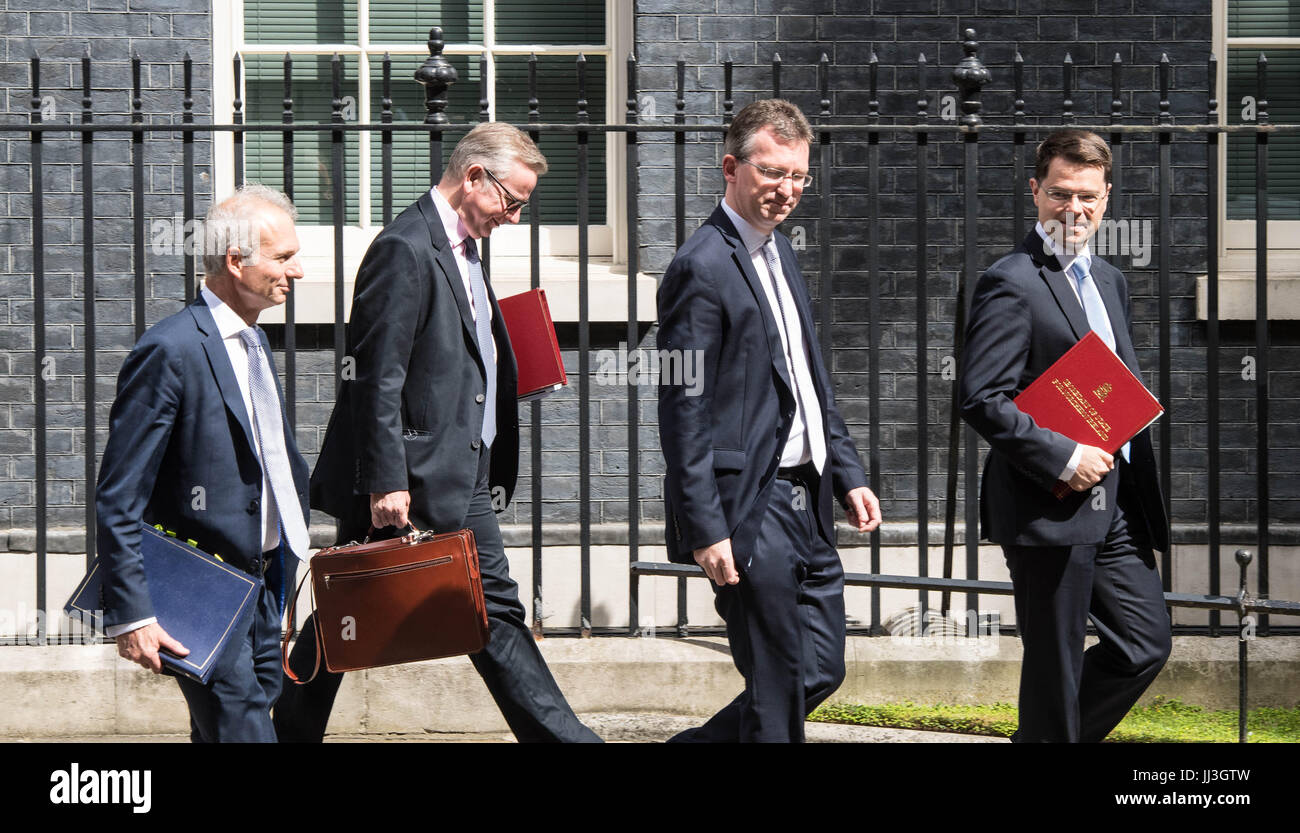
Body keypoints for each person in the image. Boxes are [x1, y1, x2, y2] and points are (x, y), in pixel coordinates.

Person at [277, 122, 600, 743]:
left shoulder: (467, 246)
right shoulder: (405, 247)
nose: (513, 216)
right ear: (473, 176)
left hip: (460, 460)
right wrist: (387, 481)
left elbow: (458, 349)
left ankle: (279, 733)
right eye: (512, 201)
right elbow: (375, 376)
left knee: (356, 605)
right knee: (489, 609)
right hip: (416, 473)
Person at [657, 99, 882, 743]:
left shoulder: (779, 253)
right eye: (772, 173)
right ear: (731, 168)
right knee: (780, 687)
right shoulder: (700, 266)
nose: (786, 191)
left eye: (798, 177)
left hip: (808, 501)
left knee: (818, 669)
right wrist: (707, 527)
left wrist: (847, 473)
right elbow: (683, 410)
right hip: (749, 508)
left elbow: (808, 380)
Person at [959, 129, 1172, 743]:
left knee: (1143, 644)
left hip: (1115, 501)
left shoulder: (1109, 280)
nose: (1073, 210)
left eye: (1088, 196)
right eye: (1059, 194)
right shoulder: (1012, 281)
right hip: (1046, 503)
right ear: (1035, 191)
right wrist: (1063, 455)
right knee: (1053, 668)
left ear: (1106, 197)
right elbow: (981, 399)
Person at [96, 184, 311, 742]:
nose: (300, 270)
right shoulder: (170, 349)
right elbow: (120, 495)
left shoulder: (254, 343)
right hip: (203, 590)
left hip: (266, 582)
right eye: (284, 258)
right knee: (244, 733)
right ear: (237, 262)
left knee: (229, 730)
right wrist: (133, 613)